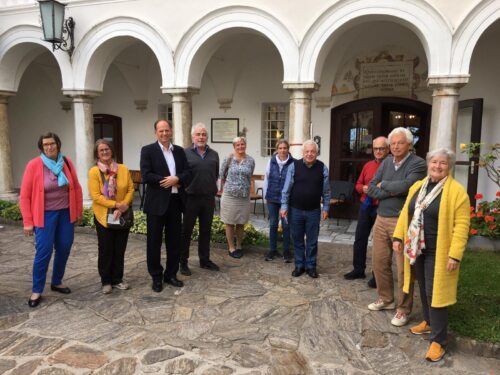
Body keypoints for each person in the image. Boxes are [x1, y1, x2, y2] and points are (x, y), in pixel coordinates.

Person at [393, 148, 469, 362]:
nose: (437, 166)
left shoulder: (456, 191)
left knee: (436, 293)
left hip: (440, 250)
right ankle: (428, 323)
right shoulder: (419, 186)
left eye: (442, 163)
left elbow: (462, 225)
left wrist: (454, 255)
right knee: (424, 289)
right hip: (418, 247)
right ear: (428, 164)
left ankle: (439, 341)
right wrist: (398, 237)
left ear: (449, 166)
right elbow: (406, 213)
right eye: (434, 162)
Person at [366, 127, 427, 326]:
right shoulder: (385, 163)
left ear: (409, 144)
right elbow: (372, 188)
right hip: (381, 219)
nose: (395, 146)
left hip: (403, 221)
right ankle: (386, 299)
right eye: (393, 143)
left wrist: (385, 185)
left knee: (404, 269)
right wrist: (388, 188)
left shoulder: (417, 164)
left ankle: (403, 309)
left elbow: (408, 187)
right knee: (379, 262)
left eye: (400, 143)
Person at [20, 132, 83, 308]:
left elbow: (76, 188)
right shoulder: (34, 165)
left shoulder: (67, 163)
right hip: (44, 215)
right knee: (44, 251)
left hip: (65, 213)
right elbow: (24, 196)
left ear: (58, 145)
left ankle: (56, 281)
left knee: (64, 247)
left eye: (52, 144)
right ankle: (37, 289)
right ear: (42, 147)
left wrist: (77, 211)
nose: (49, 147)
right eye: (45, 144)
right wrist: (27, 221)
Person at [140, 119, 190, 292]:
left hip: (176, 203)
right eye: (161, 131)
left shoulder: (180, 151)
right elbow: (146, 175)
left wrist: (178, 179)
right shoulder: (148, 150)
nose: (164, 133)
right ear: (156, 133)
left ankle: (170, 274)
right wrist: (167, 181)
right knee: (154, 242)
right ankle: (156, 276)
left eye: (167, 130)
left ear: (171, 131)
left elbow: (188, 172)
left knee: (174, 241)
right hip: (156, 204)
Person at [88, 139, 135, 294]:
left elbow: (130, 189)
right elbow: (96, 196)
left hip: (121, 214)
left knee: (119, 249)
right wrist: (115, 205)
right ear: (97, 154)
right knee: (106, 249)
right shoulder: (94, 172)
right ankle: (106, 281)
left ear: (112, 150)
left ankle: (117, 279)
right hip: (104, 216)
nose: (104, 152)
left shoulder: (123, 168)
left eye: (107, 149)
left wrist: (123, 206)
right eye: (101, 150)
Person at [280, 140, 331, 278]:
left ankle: (311, 266)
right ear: (303, 152)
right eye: (307, 151)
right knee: (297, 239)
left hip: (314, 211)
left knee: (312, 241)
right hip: (295, 210)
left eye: (312, 151)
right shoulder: (293, 166)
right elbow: (286, 189)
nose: (309, 154)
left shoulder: (322, 168)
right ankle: (299, 265)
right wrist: (284, 206)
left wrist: (326, 207)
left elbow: (326, 191)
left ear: (316, 153)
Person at [344, 137, 389, 283]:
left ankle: (377, 275)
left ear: (387, 149)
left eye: (381, 148)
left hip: (382, 207)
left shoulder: (391, 166)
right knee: (360, 239)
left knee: (380, 244)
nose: (378, 151)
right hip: (366, 206)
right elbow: (357, 184)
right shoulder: (368, 165)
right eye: (376, 148)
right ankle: (358, 270)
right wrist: (362, 188)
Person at [179, 123, 220, 276]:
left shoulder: (214, 154)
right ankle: (183, 262)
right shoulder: (184, 153)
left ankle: (205, 260)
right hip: (191, 198)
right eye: (198, 134)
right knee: (186, 231)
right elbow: (181, 175)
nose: (201, 137)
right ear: (192, 137)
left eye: (203, 134)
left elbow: (214, 175)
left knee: (205, 231)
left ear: (207, 136)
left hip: (208, 198)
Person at [219, 136, 255, 259]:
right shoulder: (228, 159)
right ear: (234, 147)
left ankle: (239, 246)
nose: (240, 146)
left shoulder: (251, 160)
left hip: (244, 197)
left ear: (245, 145)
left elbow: (249, 175)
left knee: (241, 223)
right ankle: (231, 247)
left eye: (242, 144)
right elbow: (222, 175)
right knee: (229, 222)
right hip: (230, 196)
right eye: (238, 145)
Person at [263, 139, 295, 262]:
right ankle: (272, 249)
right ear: (277, 149)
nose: (282, 150)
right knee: (273, 224)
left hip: (286, 200)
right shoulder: (271, 162)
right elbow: (266, 178)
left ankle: (286, 251)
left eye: (285, 148)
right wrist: (266, 196)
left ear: (288, 149)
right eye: (280, 148)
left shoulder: (293, 163)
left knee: (286, 225)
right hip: (272, 198)